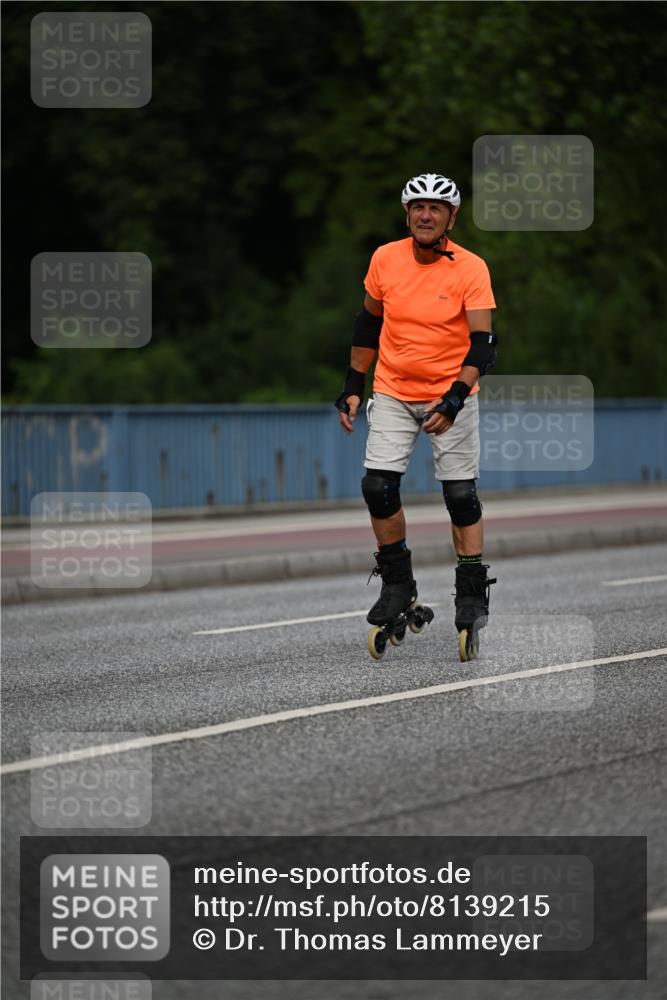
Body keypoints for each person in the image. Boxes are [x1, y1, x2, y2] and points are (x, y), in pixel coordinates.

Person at [335, 172, 498, 658]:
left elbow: (484, 344)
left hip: (452, 393)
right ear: (407, 214)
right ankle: (398, 586)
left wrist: (453, 398)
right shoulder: (385, 258)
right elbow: (368, 322)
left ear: (452, 217)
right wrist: (351, 385)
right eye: (417, 207)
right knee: (377, 486)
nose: (426, 215)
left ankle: (470, 594)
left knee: (460, 495)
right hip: (393, 389)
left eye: (436, 208)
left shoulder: (471, 268)